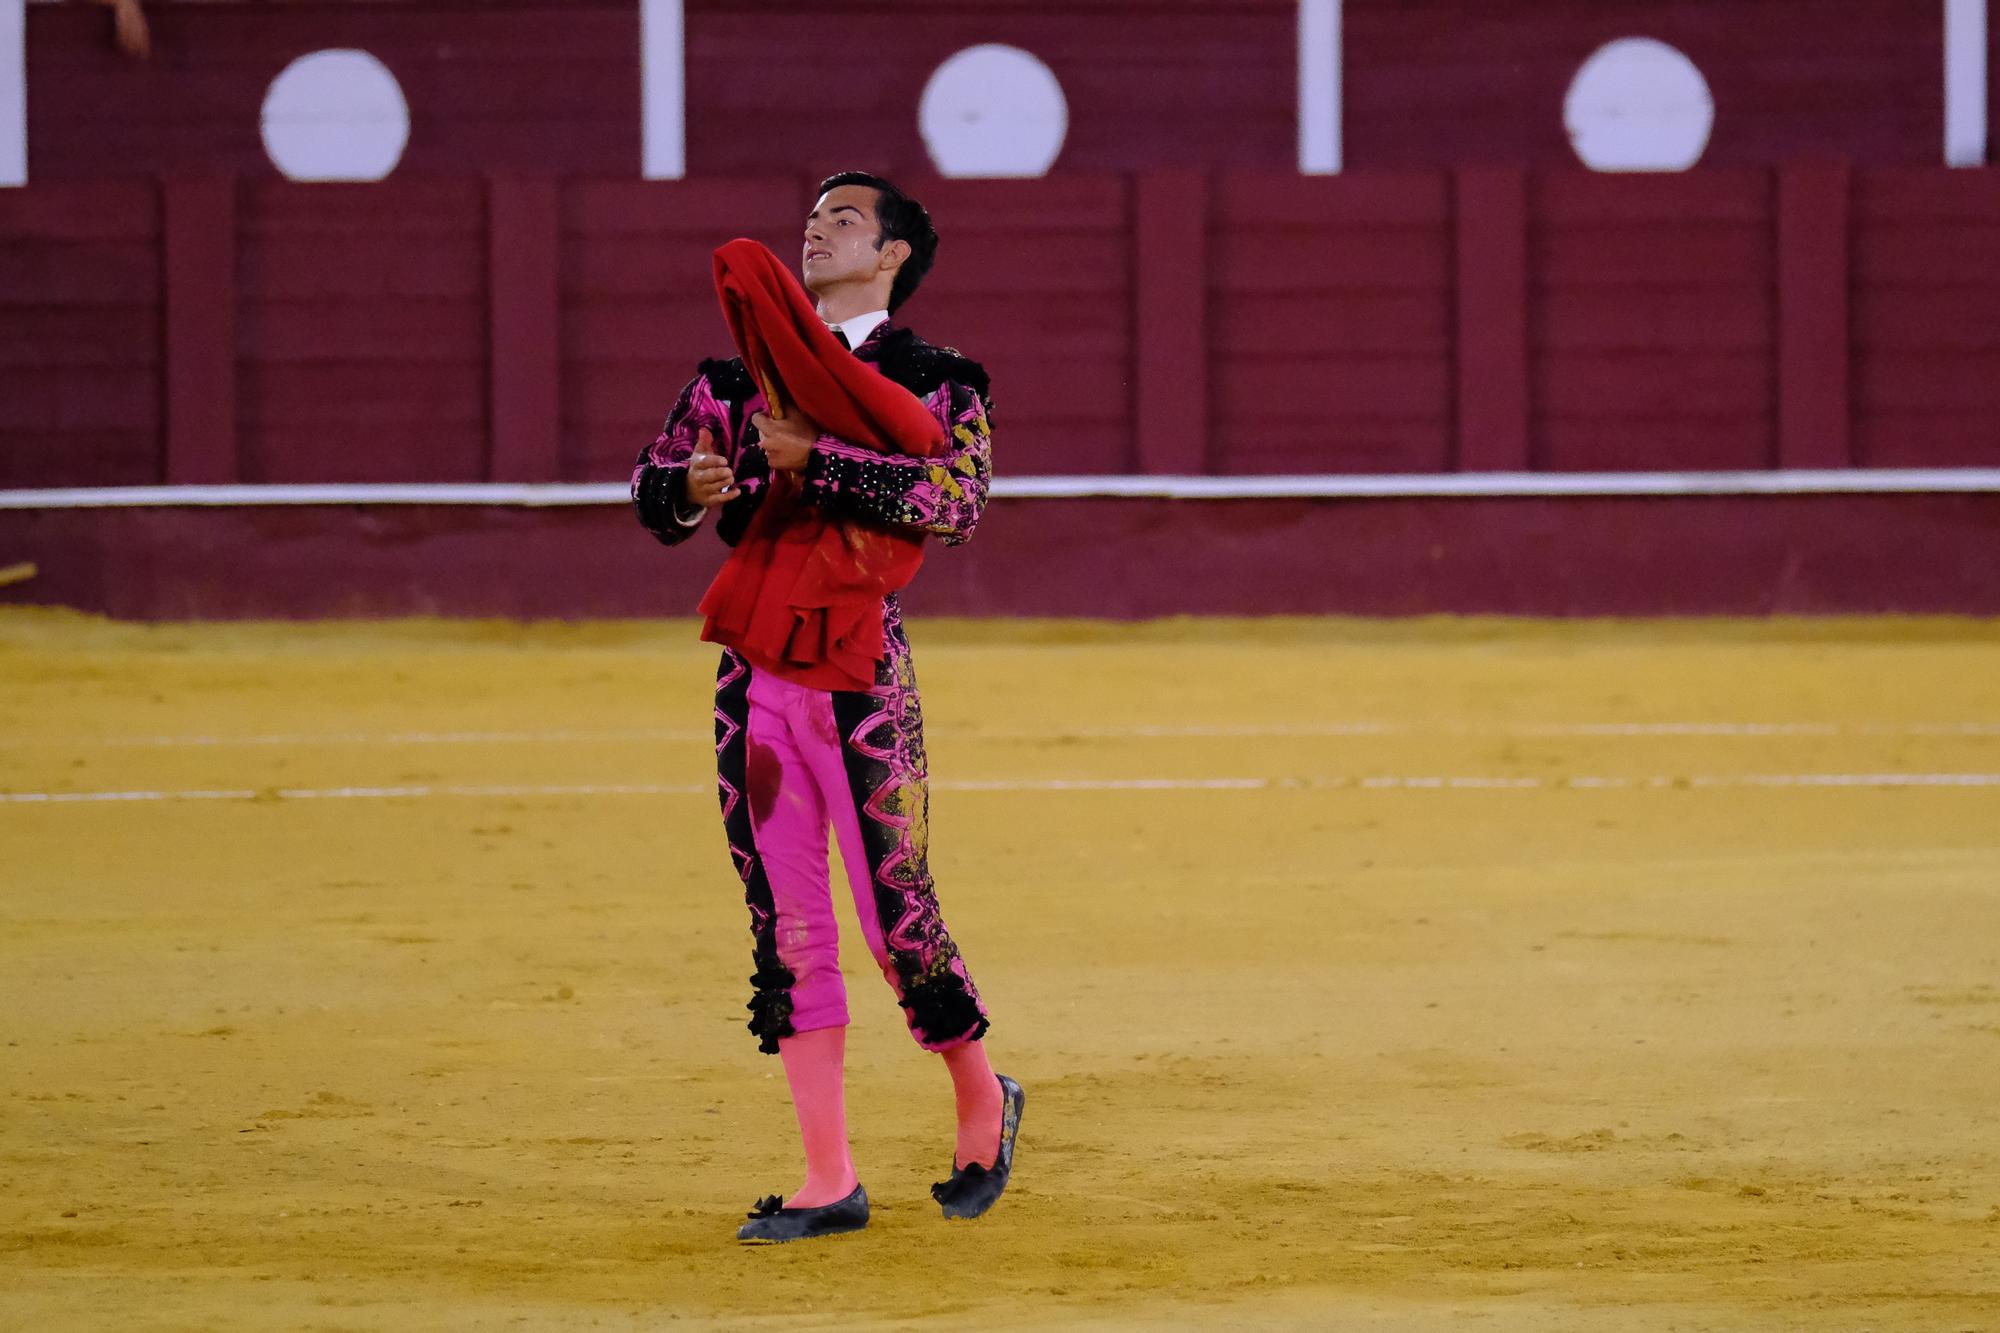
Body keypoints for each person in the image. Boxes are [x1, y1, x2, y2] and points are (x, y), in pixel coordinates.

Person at [630, 172, 1023, 1243]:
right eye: (810, 215)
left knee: (894, 905)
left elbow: (956, 502)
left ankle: (982, 1096)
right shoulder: (732, 377)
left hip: (858, 671)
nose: (816, 228)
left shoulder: (938, 378)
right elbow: (652, 490)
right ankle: (825, 1175)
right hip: (753, 672)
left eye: (843, 218)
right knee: (786, 921)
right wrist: (691, 487)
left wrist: (825, 460)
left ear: (891, 254)